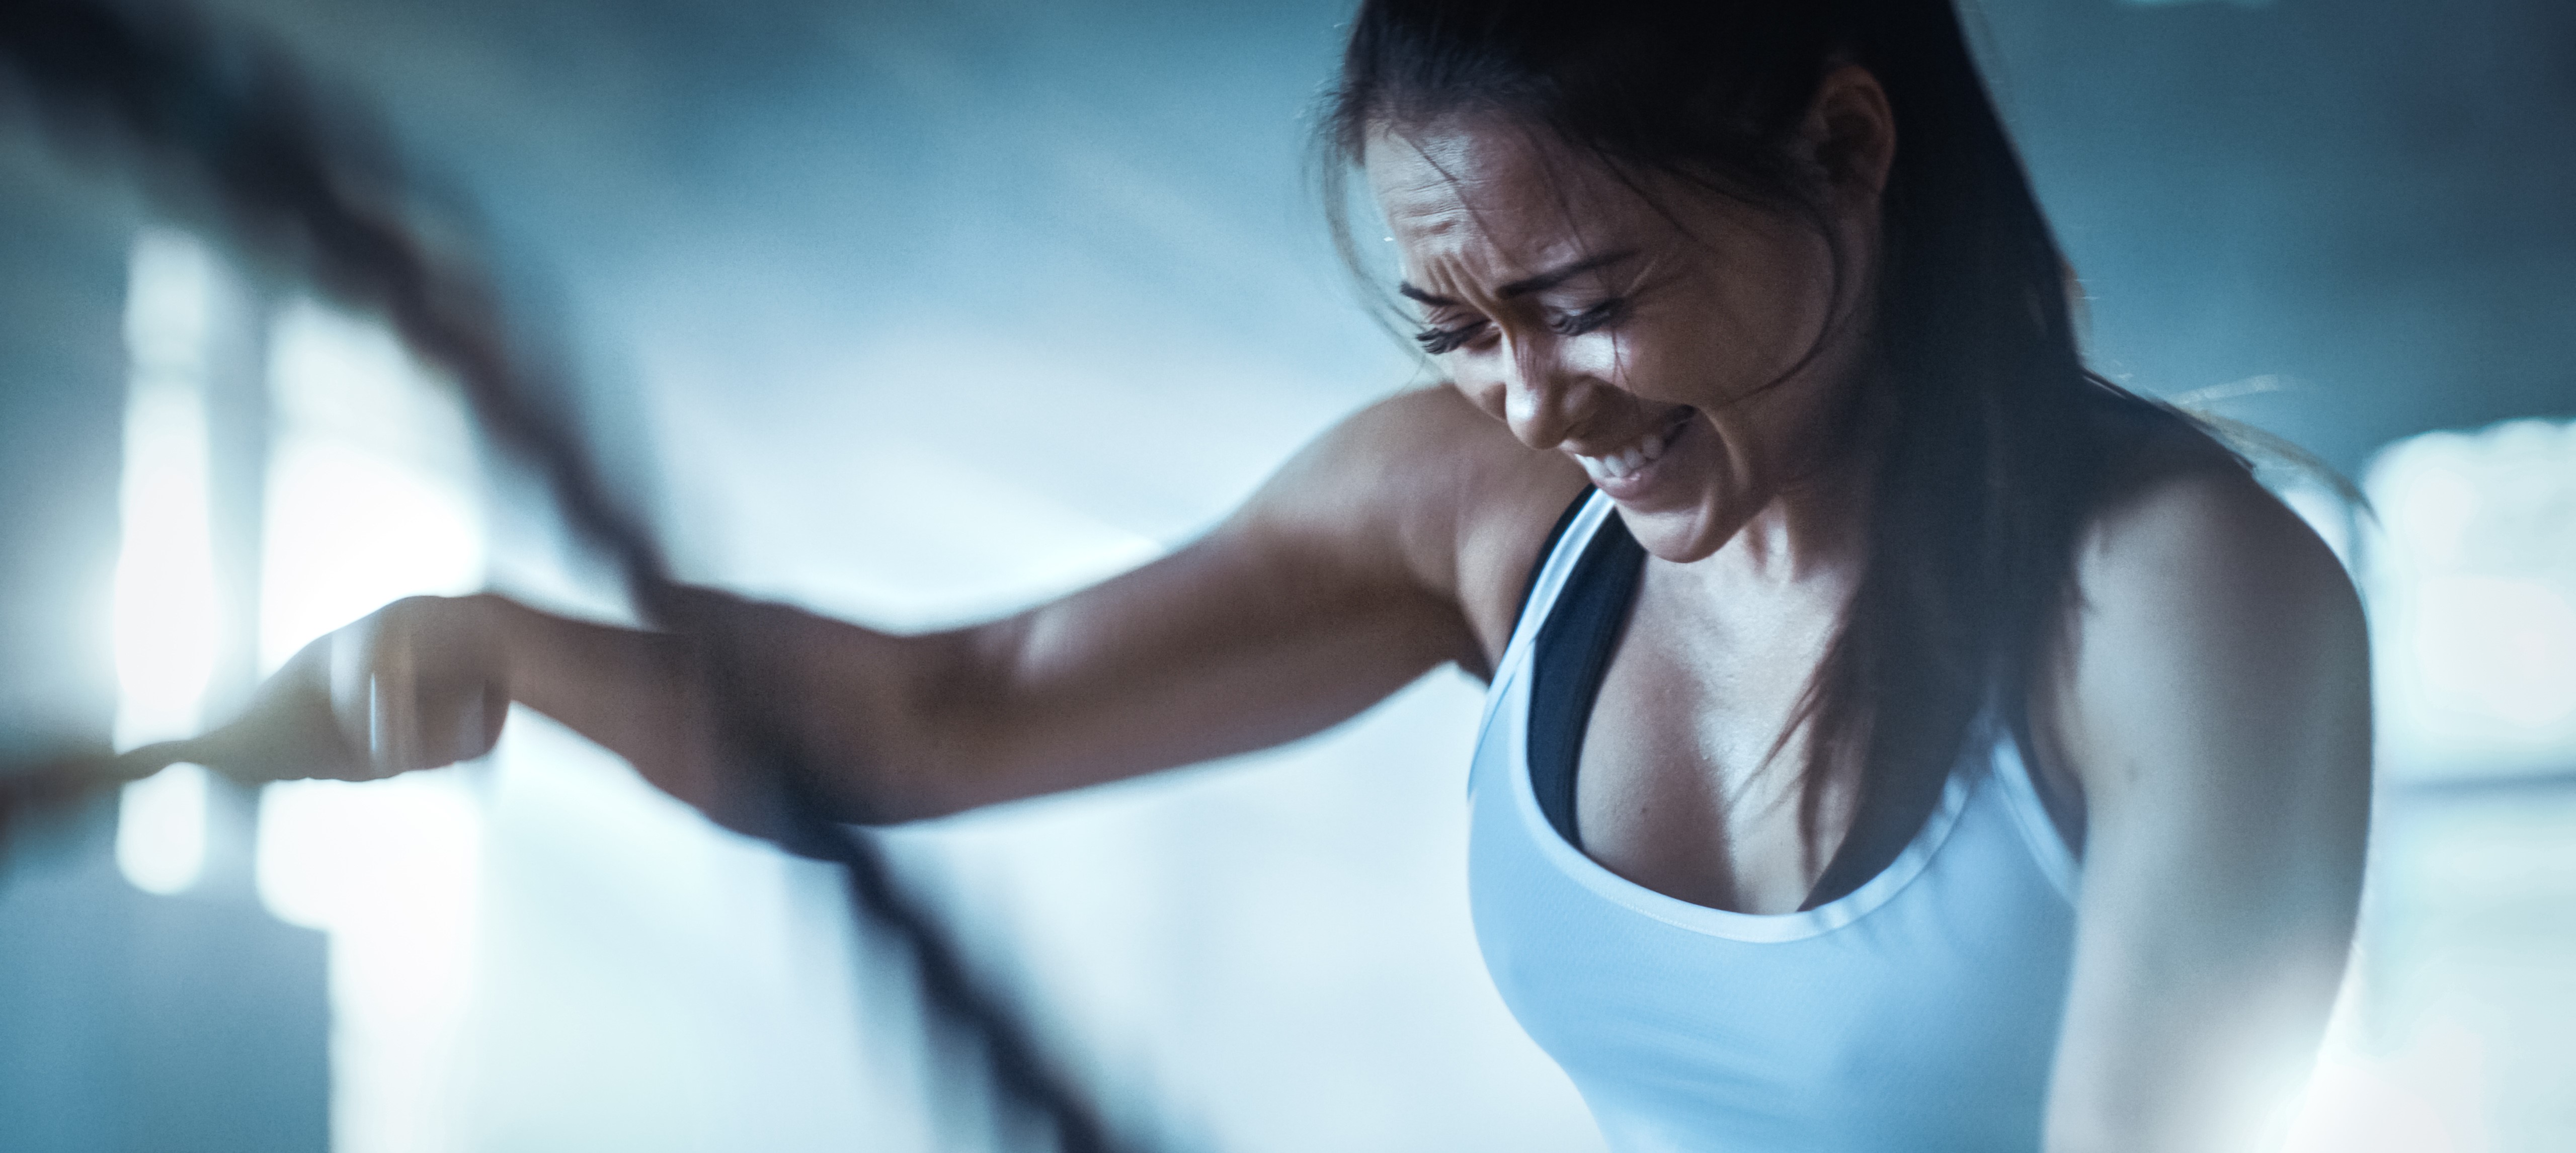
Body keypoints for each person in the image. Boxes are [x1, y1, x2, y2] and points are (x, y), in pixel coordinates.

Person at [180, 1, 2371, 1149]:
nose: (1528, 403)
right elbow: (939, 717)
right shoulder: (1478, 523)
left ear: (1847, 152)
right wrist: (490, 649)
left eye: (1589, 297)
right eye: (1457, 327)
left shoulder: (2177, 601)